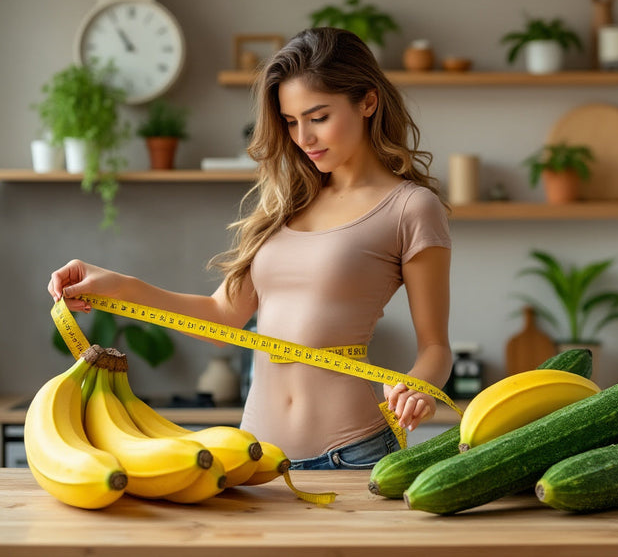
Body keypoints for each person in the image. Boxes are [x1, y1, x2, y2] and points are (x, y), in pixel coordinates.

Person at [48, 28, 452, 470]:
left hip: (352, 453)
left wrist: (419, 387)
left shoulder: (411, 207)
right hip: (253, 454)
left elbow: (436, 349)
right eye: (291, 121)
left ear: (368, 102)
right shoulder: (286, 202)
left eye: (318, 117)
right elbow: (221, 316)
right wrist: (118, 285)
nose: (304, 138)